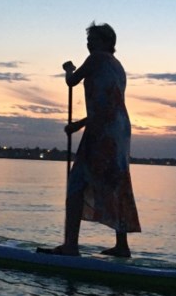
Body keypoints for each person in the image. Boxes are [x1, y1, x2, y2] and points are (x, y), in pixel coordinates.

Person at [40, 22, 141, 257]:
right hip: (118, 128)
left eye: (93, 39)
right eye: (88, 40)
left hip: (103, 130)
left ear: (107, 42)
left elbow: (72, 81)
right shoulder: (118, 66)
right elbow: (108, 105)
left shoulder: (98, 58)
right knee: (116, 183)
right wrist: (79, 124)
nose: (89, 44)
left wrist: (67, 68)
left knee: (76, 183)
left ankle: (70, 246)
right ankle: (122, 245)